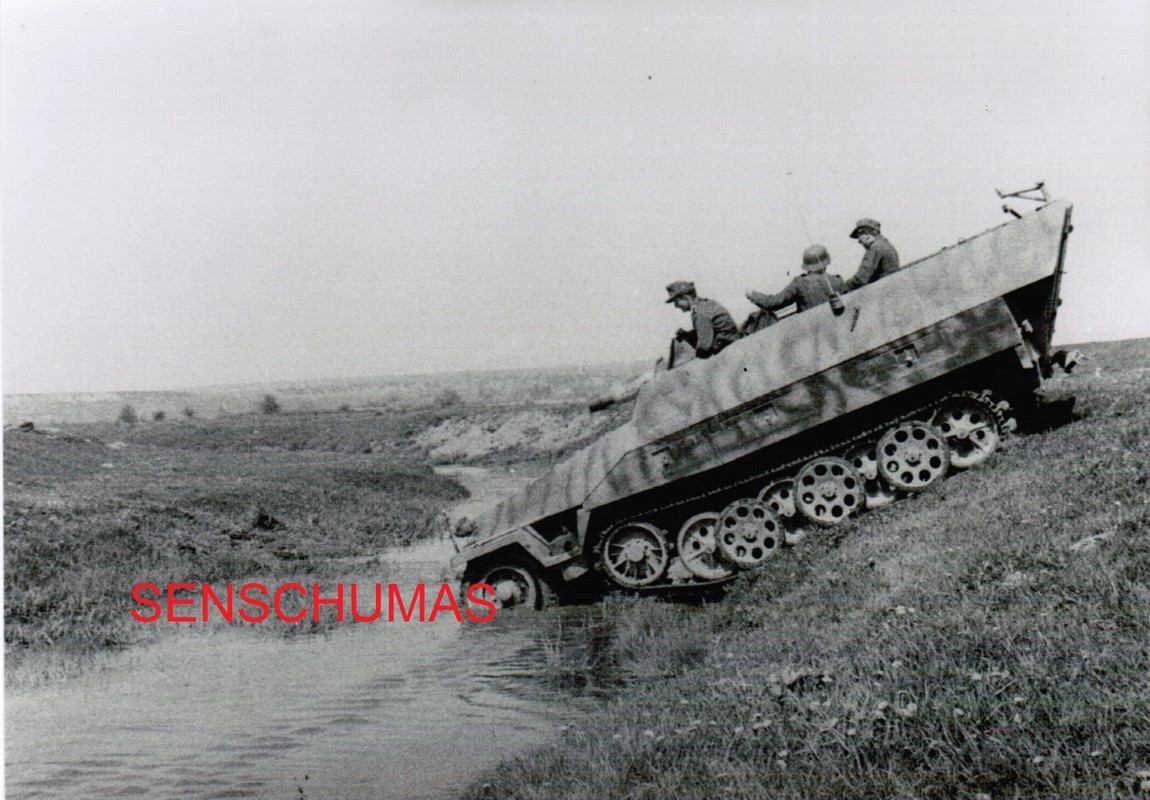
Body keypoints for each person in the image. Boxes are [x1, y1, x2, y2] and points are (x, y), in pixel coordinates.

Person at [745, 244, 845, 314]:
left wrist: (752, 295)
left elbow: (774, 303)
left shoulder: (801, 283)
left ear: (806, 265)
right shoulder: (838, 281)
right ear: (826, 261)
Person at [666, 281, 740, 359]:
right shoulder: (705, 304)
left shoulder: (699, 311)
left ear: (685, 298)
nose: (676, 306)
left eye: (676, 302)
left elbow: (704, 346)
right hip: (733, 343)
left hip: (729, 350)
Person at [843, 217, 900, 292]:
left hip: (883, 290)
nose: (859, 242)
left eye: (859, 238)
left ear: (866, 233)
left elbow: (861, 278)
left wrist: (843, 288)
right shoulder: (885, 244)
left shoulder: (874, 248)